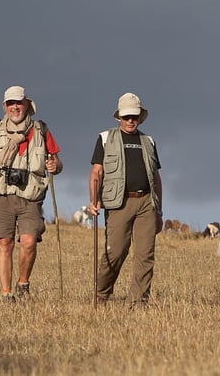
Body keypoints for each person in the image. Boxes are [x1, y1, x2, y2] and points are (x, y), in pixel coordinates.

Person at [0, 85, 63, 302]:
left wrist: (55, 166)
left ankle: (23, 284)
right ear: (5, 106)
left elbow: (57, 161)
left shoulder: (41, 130)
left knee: (29, 241)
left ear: (27, 104)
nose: (15, 107)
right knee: (4, 243)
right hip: (1, 195)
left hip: (31, 195)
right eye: (10, 103)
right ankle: (6, 294)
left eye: (18, 103)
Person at [88, 92, 163, 308]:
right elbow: (96, 172)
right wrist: (93, 200)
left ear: (140, 117)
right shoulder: (105, 138)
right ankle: (101, 295)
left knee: (145, 255)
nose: (130, 120)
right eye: (126, 117)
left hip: (146, 202)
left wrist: (159, 210)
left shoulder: (149, 141)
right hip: (118, 203)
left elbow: (156, 177)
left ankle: (138, 302)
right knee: (116, 252)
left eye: (134, 116)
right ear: (119, 117)